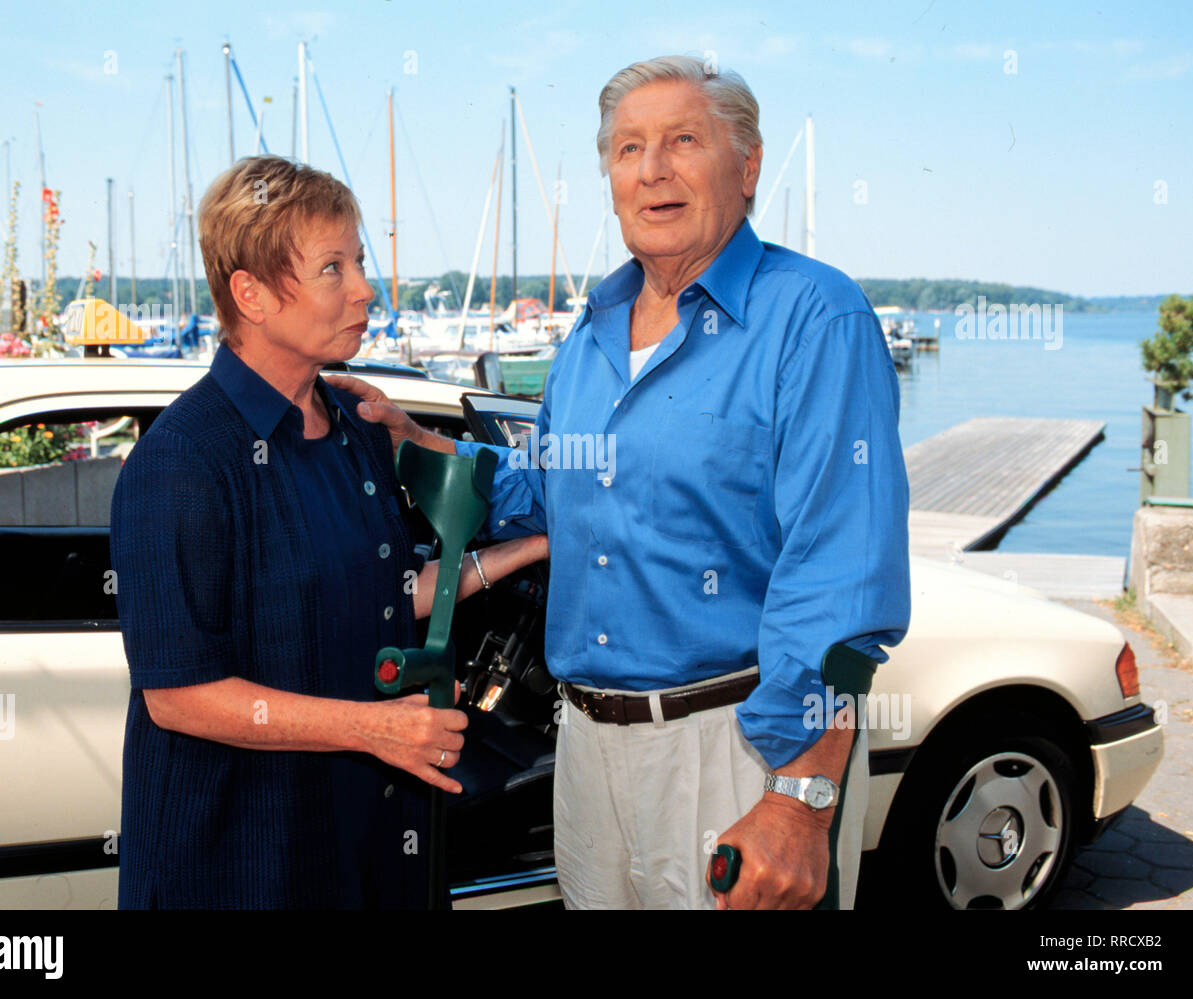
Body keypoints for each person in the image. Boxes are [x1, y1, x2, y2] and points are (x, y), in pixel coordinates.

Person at [338, 55, 910, 910]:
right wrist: (417, 438)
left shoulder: (815, 317)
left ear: (747, 166)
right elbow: (541, 493)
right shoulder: (592, 333)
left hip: (741, 747)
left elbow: (842, 580)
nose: (653, 170)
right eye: (629, 148)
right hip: (590, 753)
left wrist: (802, 797)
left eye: (684, 140)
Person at [110, 155, 547, 909]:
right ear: (249, 293)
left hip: (366, 847)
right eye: (332, 268)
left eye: (360, 262)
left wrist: (533, 545)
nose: (365, 289)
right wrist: (374, 729)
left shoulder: (356, 428)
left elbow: (391, 592)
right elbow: (178, 696)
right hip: (240, 862)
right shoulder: (180, 460)